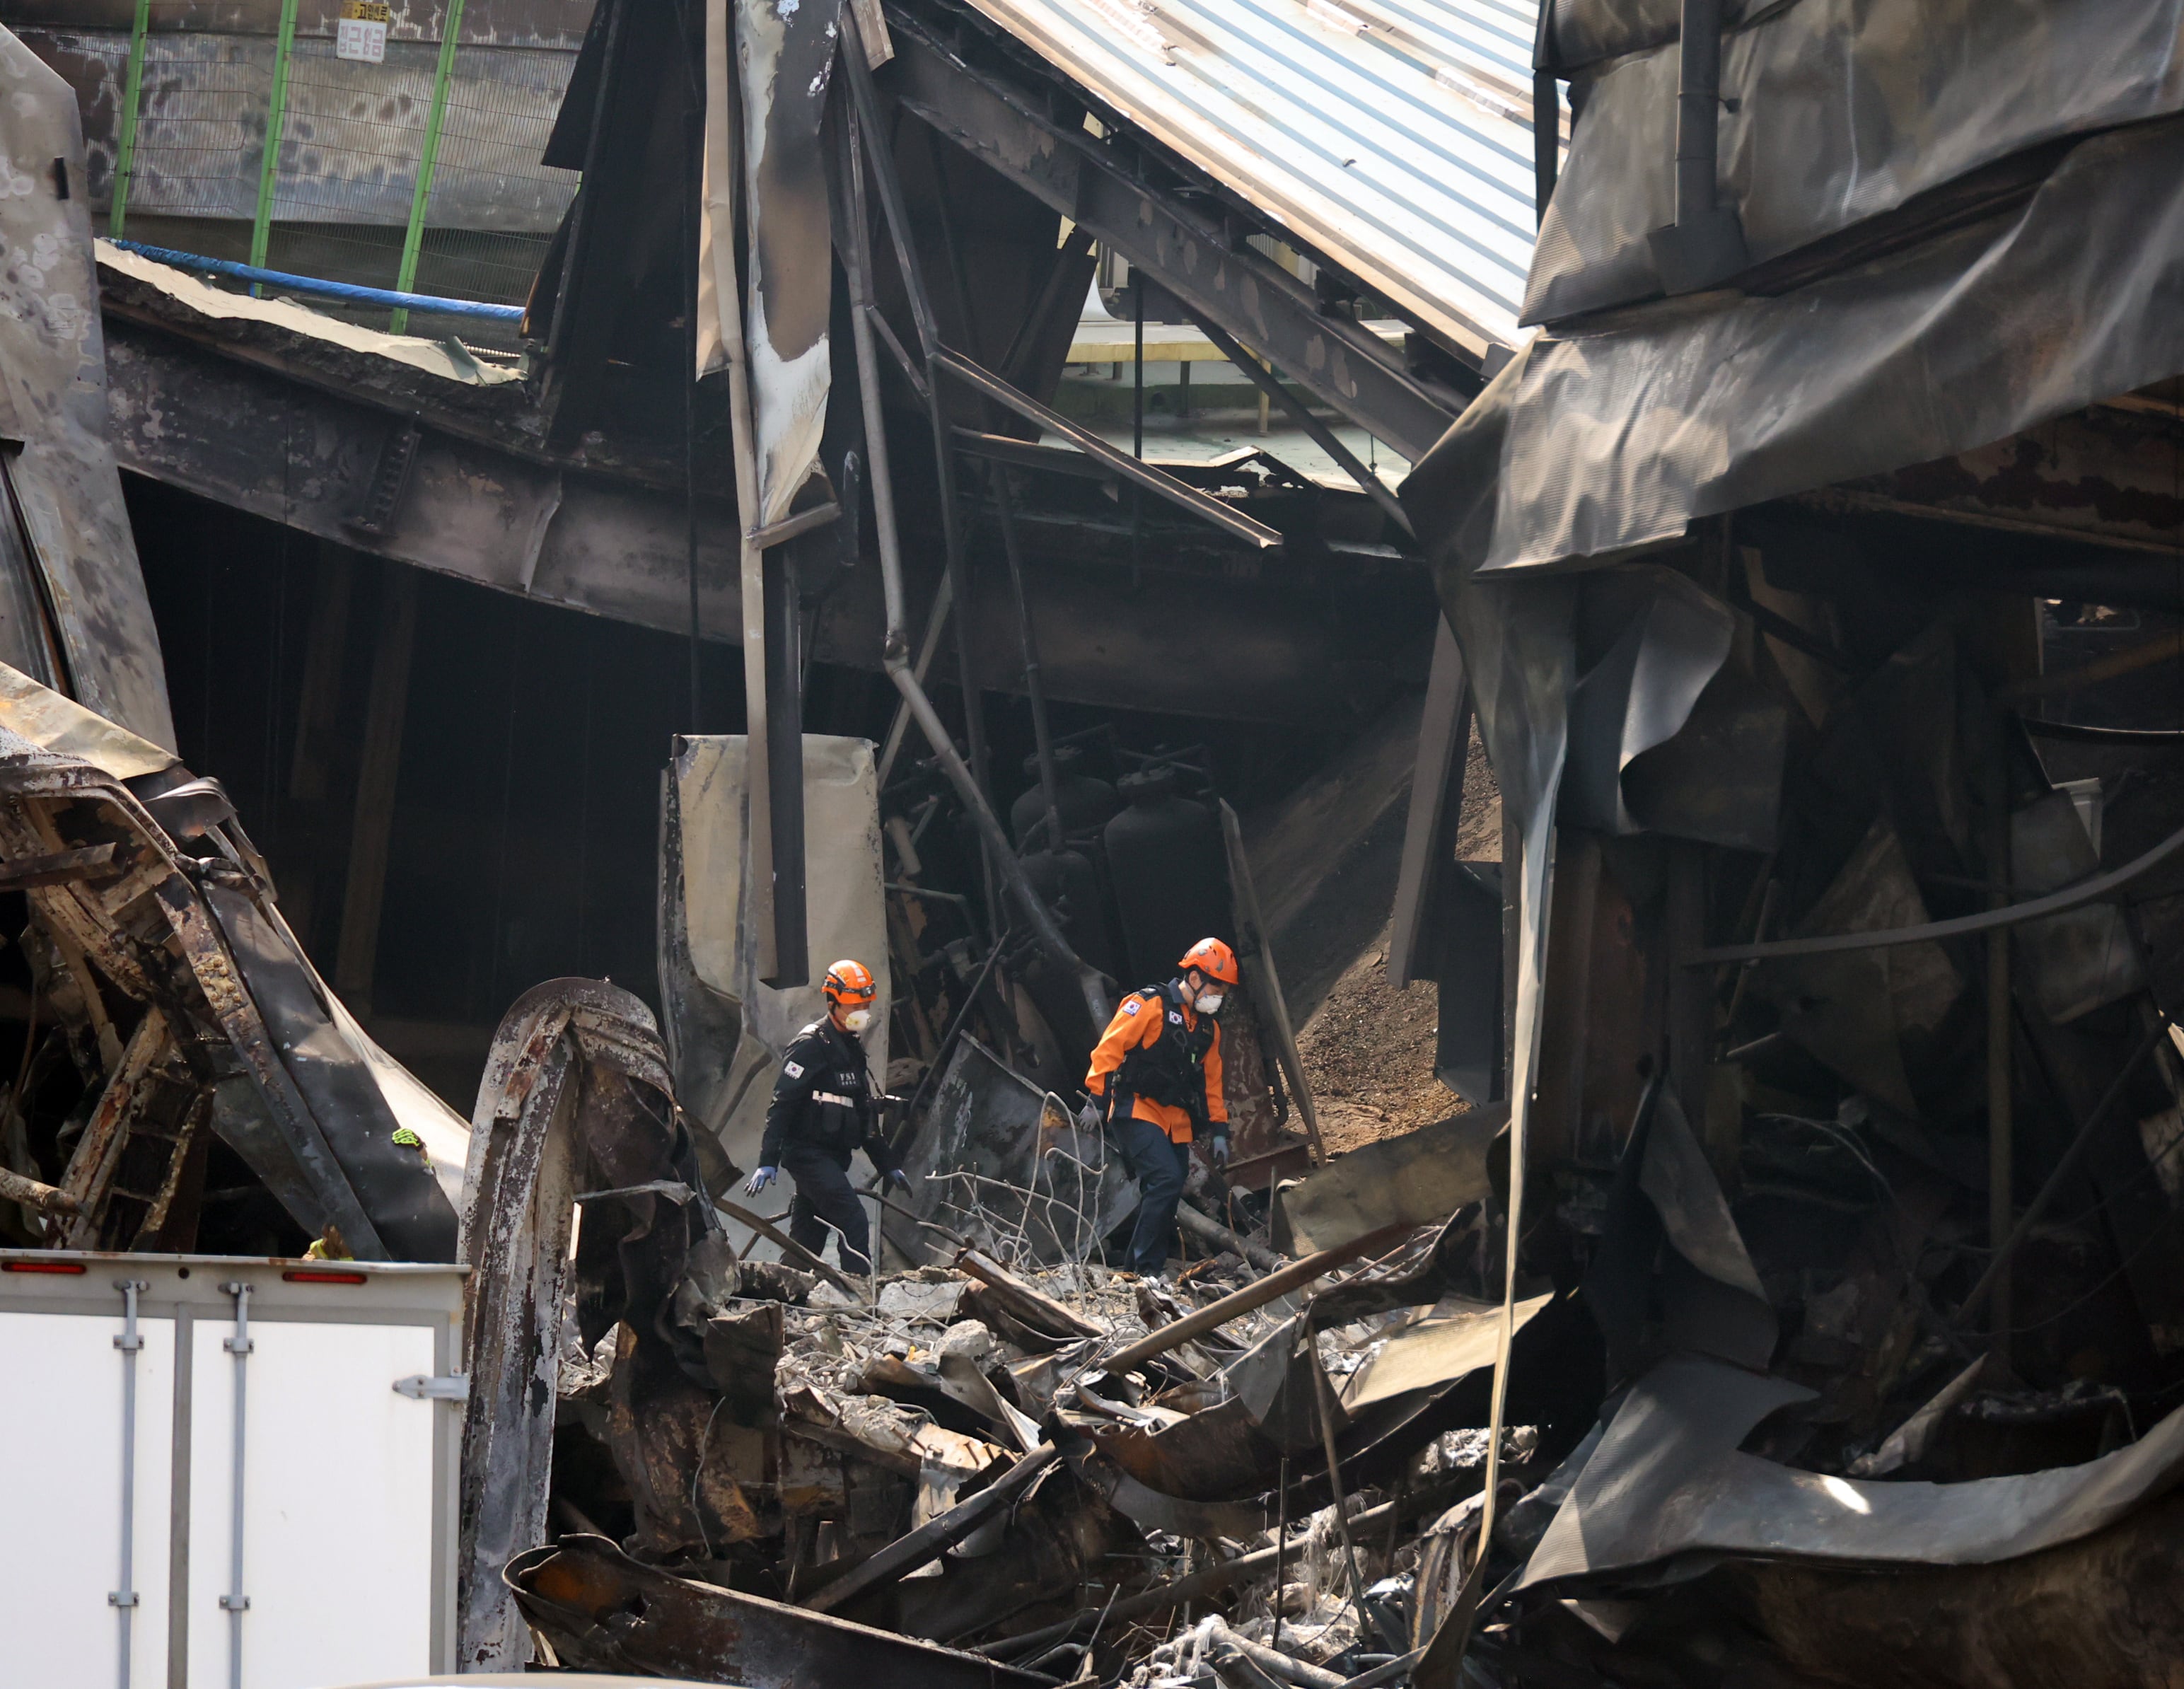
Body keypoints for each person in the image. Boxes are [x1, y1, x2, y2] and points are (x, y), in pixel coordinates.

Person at [1081, 936, 1236, 1276]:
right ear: (1194, 978)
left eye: (1224, 991)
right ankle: (1149, 1272)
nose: (1218, 997)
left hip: (1175, 1118)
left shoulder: (1209, 1030)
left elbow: (1212, 1081)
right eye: (1216, 987)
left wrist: (1221, 1130)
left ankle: (1135, 1270)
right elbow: (1110, 1048)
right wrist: (1095, 1098)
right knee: (1165, 1178)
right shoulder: (1148, 1005)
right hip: (1135, 1108)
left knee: (1169, 1184)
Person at [743, 958, 910, 1273]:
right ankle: (857, 1300)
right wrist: (768, 1160)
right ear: (832, 1004)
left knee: (807, 1241)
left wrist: (889, 1165)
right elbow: (783, 1105)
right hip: (807, 1155)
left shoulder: (852, 1047)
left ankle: (782, 1296)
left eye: (864, 1005)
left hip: (832, 1157)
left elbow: (863, 1114)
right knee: (854, 1221)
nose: (860, 1013)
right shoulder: (810, 1046)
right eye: (853, 1006)